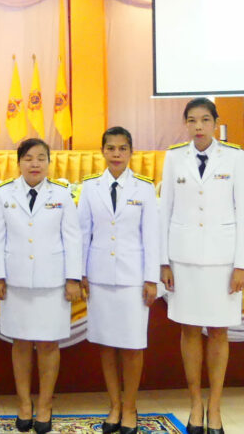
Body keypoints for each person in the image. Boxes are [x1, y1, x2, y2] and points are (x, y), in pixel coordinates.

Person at [158, 97, 244, 434]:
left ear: (215, 123)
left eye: (205, 120)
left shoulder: (236, 157)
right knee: (190, 330)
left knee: (220, 331)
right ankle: (195, 403)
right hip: (183, 259)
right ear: (186, 123)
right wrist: (163, 262)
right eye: (193, 120)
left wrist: (242, 264)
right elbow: (164, 209)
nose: (199, 126)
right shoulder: (173, 157)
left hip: (223, 260)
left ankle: (215, 408)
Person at [0, 138, 81, 434]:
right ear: (19, 162)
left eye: (41, 158)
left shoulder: (63, 195)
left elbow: (72, 238)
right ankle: (23, 404)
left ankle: (44, 404)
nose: (34, 164)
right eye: (28, 158)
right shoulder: (3, 195)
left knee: (48, 343)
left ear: (48, 162)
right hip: (15, 280)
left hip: (52, 281)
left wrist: (73, 278)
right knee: (21, 343)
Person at [80, 127, 160, 434]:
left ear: (131, 153)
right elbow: (83, 233)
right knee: (106, 344)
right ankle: (114, 404)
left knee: (131, 345)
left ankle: (130, 406)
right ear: (102, 151)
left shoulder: (144, 188)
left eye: (122, 148)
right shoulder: (90, 187)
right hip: (99, 276)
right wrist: (81, 273)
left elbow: (151, 237)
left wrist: (151, 279)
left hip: (132, 277)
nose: (116, 154)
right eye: (111, 148)